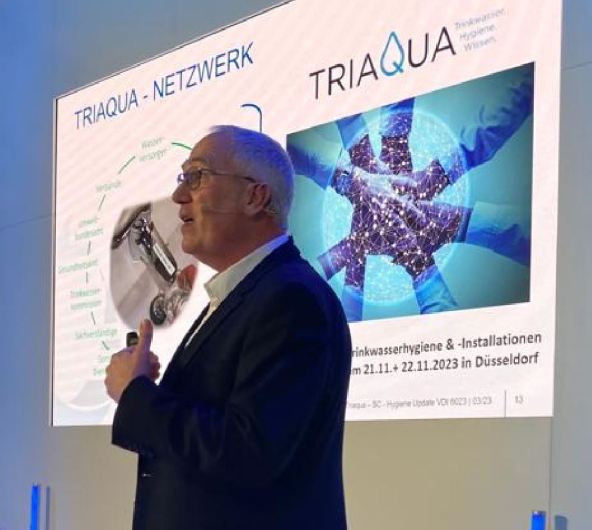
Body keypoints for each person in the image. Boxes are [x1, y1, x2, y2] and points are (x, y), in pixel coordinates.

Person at [104, 125, 352, 530]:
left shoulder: (291, 298)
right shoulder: (251, 294)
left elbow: (248, 453)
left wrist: (137, 396)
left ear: (255, 197)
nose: (179, 195)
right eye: (182, 178)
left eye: (196, 176)